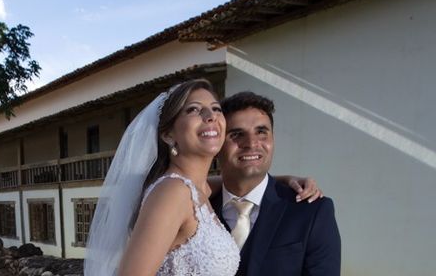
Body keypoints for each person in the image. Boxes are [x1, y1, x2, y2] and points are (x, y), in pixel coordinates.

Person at [84, 80, 321, 276]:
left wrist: (283, 179)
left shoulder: (198, 189)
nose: (210, 115)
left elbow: (229, 184)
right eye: (194, 109)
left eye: (216, 108)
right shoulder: (172, 193)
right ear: (168, 134)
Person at [210, 91, 341, 276]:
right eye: (237, 134)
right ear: (216, 147)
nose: (251, 143)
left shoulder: (312, 211)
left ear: (273, 140)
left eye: (261, 132)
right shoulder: (196, 209)